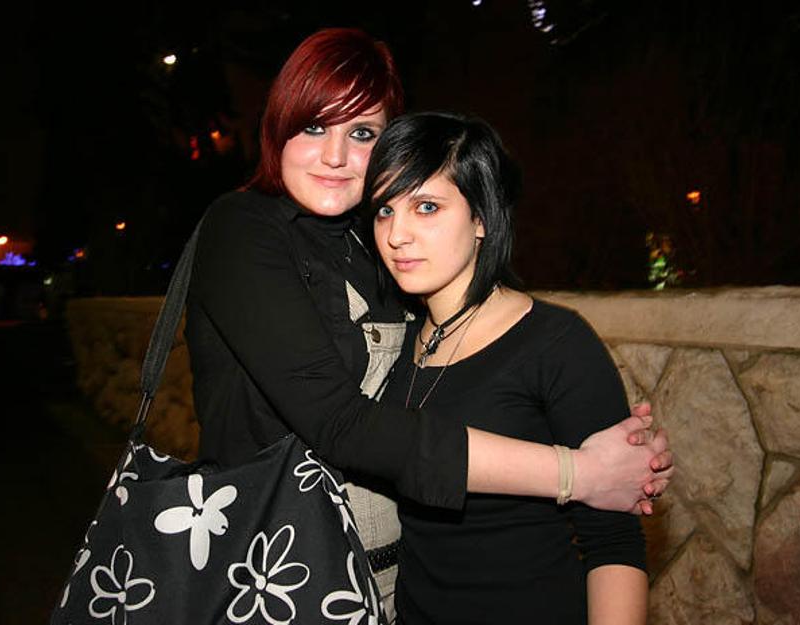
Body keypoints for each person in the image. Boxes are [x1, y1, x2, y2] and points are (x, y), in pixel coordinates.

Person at [184, 28, 671, 622]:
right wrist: (582, 471)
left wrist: (629, 463)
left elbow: (610, 536)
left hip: (384, 592)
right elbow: (341, 422)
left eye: (362, 133)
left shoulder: (388, 262)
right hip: (276, 582)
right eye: (313, 126)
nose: (335, 155)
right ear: (277, 128)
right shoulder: (244, 229)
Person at [364, 111, 650, 624]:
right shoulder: (397, 342)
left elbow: (614, 542)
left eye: (426, 207)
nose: (397, 234)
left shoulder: (556, 343)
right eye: (385, 210)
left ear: (481, 218)